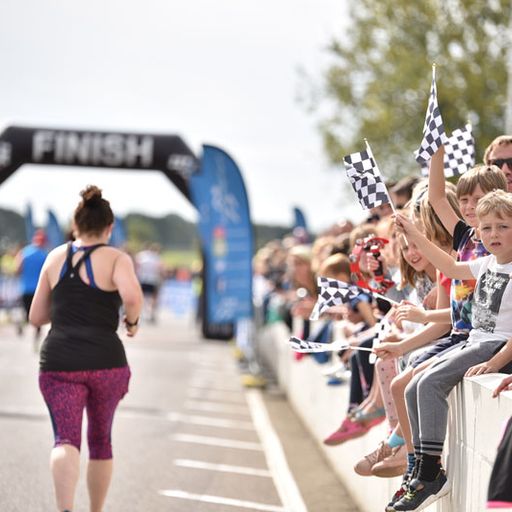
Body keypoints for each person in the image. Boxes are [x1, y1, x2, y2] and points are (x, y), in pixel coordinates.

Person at [390, 189, 512, 511]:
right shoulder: (486, 263)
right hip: (477, 340)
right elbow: (448, 264)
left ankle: (431, 473)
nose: (493, 234)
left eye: (502, 226)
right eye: (486, 228)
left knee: (430, 383)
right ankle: (420, 465)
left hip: (494, 346)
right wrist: (414, 233)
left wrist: (496, 361)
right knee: (414, 384)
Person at [29, 185, 143, 512]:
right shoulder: (117, 258)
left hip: (60, 362)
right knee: (100, 440)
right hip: (107, 361)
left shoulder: (55, 258)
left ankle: (65, 508)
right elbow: (133, 298)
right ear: (109, 228)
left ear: (75, 225)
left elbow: (36, 316)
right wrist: (132, 323)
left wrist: (67, 306)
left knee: (66, 439)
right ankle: (96, 510)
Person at [15, 228, 48, 347]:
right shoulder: (45, 255)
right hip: (39, 290)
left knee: (27, 314)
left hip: (25, 289)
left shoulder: (24, 252)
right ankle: (36, 341)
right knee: (37, 317)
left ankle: (20, 323)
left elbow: (17, 269)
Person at [135, 243, 164, 323]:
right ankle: (151, 314)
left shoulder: (140, 256)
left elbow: (136, 267)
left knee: (140, 297)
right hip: (153, 280)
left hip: (142, 279)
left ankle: (138, 314)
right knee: (153, 298)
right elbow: (161, 269)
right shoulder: (156, 257)